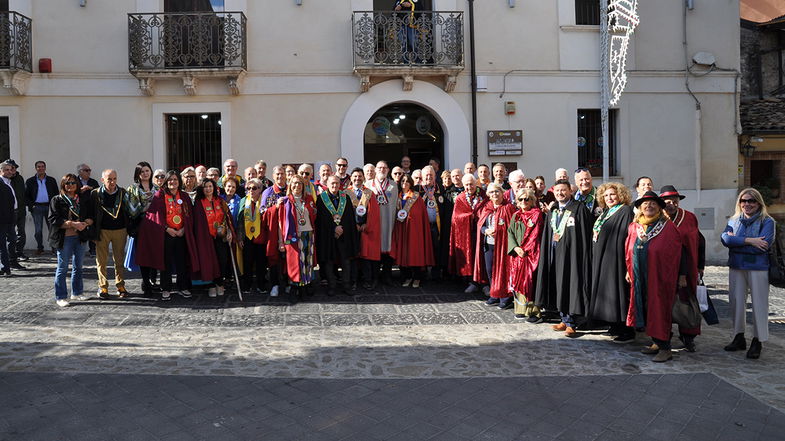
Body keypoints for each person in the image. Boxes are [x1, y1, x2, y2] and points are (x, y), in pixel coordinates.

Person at [625, 191, 684, 362]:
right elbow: (628, 249)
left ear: (659, 207)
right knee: (645, 307)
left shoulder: (667, 227)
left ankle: (665, 347)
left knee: (658, 309)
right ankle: (656, 342)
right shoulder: (634, 228)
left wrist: (679, 275)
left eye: (652, 203)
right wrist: (628, 270)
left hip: (659, 278)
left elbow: (676, 253)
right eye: (645, 203)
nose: (649, 206)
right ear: (640, 208)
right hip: (638, 276)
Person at [721, 188, 775, 359]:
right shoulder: (734, 220)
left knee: (759, 304)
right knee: (736, 302)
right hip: (736, 266)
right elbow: (726, 240)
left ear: (758, 203)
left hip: (758, 267)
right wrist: (751, 241)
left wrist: (737, 244)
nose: (747, 204)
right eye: (743, 201)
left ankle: (757, 340)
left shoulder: (767, 221)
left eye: (751, 201)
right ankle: (738, 337)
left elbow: (764, 246)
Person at [534, 179, 593, 335]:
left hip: (572, 256)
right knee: (559, 285)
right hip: (555, 254)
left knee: (570, 285)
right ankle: (563, 318)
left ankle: (572, 322)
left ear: (570, 191)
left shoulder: (578, 209)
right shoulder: (553, 210)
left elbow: (584, 234)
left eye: (563, 190)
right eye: (557, 190)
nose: (560, 193)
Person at [136, 171, 199, 301]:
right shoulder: (160, 195)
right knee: (166, 263)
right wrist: (166, 228)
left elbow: (189, 216)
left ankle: (183, 287)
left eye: (175, 179)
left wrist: (183, 229)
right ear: (166, 181)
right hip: (166, 234)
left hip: (181, 233)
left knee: (182, 262)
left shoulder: (184, 196)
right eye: (170, 180)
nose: (173, 182)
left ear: (179, 181)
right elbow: (155, 215)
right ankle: (166, 288)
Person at [588, 182, 635, 342]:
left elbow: (624, 235)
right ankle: (614, 325)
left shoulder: (625, 211)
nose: (609, 198)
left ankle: (626, 330)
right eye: (606, 195)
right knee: (609, 293)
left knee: (619, 292)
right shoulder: (607, 212)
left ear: (620, 195)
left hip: (616, 258)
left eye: (612, 194)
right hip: (604, 257)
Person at [660, 185, 702, 351]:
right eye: (667, 201)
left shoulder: (690, 217)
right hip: (665, 268)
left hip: (689, 267)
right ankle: (664, 335)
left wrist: (700, 265)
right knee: (665, 302)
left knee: (687, 300)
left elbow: (700, 241)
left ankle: (688, 335)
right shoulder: (658, 219)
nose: (671, 204)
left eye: (674, 201)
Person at [48, 174, 94, 306]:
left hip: (79, 237)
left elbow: (90, 216)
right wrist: (73, 224)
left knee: (78, 267)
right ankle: (61, 296)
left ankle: (77, 292)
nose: (71, 186)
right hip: (64, 238)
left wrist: (85, 223)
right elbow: (53, 219)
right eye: (67, 183)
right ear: (63, 185)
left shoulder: (82, 199)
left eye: (73, 183)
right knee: (62, 268)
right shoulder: (57, 200)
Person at [90, 169, 131, 299]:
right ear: (103, 180)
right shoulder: (95, 194)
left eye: (114, 179)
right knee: (101, 261)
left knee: (119, 260)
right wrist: (93, 233)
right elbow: (91, 213)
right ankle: (103, 287)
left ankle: (120, 285)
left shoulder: (123, 192)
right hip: (102, 231)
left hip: (120, 230)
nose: (112, 182)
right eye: (109, 179)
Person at [474, 183, 516, 309]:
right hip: (489, 244)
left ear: (502, 193)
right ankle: (494, 294)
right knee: (490, 270)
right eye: (491, 192)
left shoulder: (508, 208)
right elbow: (480, 225)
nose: (494, 194)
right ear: (488, 195)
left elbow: (511, 227)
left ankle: (505, 297)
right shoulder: (487, 207)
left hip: (503, 245)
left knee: (503, 270)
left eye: (497, 191)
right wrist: (486, 230)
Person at [316, 175, 359, 295]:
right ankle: (332, 285)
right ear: (327, 184)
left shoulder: (346, 198)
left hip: (344, 234)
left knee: (346, 261)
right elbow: (321, 219)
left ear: (340, 184)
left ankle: (346, 285)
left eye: (336, 183)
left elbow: (349, 217)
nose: (334, 186)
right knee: (329, 261)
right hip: (328, 235)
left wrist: (341, 228)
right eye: (332, 183)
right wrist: (333, 228)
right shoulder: (321, 199)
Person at [278, 174, 317, 303]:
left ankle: (305, 286)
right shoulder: (285, 201)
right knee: (295, 264)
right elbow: (280, 223)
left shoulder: (309, 199)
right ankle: (295, 288)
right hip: (293, 236)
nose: (297, 186)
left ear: (303, 185)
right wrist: (281, 241)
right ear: (290, 185)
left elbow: (314, 216)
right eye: (294, 183)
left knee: (307, 262)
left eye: (299, 183)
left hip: (308, 234)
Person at [507, 188, 544, 320]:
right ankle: (521, 309)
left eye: (526, 199)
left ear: (532, 200)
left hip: (531, 254)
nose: (523, 201)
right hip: (518, 253)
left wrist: (525, 250)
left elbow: (534, 234)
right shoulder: (515, 215)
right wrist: (515, 248)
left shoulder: (536, 214)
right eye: (521, 199)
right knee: (518, 280)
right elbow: (510, 232)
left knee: (530, 281)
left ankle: (534, 312)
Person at [391, 174, 434, 288]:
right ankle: (407, 276)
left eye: (407, 181)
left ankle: (417, 277)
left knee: (415, 252)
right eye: (402, 181)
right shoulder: (398, 196)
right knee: (403, 252)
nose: (404, 183)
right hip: (401, 228)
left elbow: (420, 214)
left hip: (414, 229)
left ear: (411, 183)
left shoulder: (416, 197)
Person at [193, 178, 232, 298]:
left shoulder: (220, 201)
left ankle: (220, 282)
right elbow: (197, 222)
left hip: (220, 236)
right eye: (206, 187)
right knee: (209, 261)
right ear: (202, 189)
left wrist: (229, 231)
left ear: (214, 188)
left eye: (210, 186)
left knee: (222, 260)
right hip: (206, 237)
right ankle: (211, 285)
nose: (208, 189)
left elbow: (228, 217)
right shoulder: (199, 203)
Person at [449, 174, 487, 292]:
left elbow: (488, 209)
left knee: (482, 256)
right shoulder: (460, 197)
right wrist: (470, 216)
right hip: (467, 233)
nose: (469, 187)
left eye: (471, 184)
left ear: (476, 183)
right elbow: (456, 217)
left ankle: (485, 283)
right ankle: (473, 282)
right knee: (471, 256)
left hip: (482, 231)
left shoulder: (483, 195)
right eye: (466, 185)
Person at [126, 161, 159, 297]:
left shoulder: (157, 188)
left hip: (156, 225)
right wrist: (147, 208)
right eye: (142, 172)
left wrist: (150, 208)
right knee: (144, 255)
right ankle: (145, 283)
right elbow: (132, 210)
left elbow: (161, 207)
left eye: (147, 170)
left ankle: (152, 280)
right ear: (138, 174)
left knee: (155, 253)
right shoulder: (133, 189)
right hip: (141, 226)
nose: (145, 173)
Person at [346, 167, 380, 290]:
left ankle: (367, 280)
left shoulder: (369, 193)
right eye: (355, 176)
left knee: (366, 256)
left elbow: (374, 212)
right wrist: (352, 225)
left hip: (366, 229)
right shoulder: (345, 193)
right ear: (351, 178)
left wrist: (367, 225)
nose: (357, 178)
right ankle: (353, 280)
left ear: (363, 178)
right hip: (351, 229)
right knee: (353, 256)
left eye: (360, 176)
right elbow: (343, 212)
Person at [419, 165, 452, 280]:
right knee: (422, 248)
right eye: (426, 175)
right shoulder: (416, 190)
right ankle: (421, 273)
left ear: (435, 176)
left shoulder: (441, 189)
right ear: (422, 177)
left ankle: (436, 272)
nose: (429, 177)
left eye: (431, 175)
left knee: (437, 248)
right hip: (422, 226)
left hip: (436, 226)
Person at [369, 161, 398, 285]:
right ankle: (375, 277)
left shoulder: (393, 185)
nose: (382, 169)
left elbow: (396, 204)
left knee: (388, 249)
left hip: (389, 221)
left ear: (388, 169)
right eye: (379, 167)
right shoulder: (369, 184)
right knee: (375, 250)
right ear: (375, 169)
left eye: (384, 167)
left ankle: (387, 276)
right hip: (374, 223)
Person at [261, 167, 289, 296]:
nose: (280, 176)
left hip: (289, 231)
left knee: (289, 258)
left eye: (282, 174)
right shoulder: (268, 192)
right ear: (273, 176)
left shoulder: (291, 189)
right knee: (274, 259)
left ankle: (289, 283)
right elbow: (262, 212)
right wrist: (275, 207)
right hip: (273, 231)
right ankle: (275, 285)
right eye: (277, 174)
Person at [237, 178, 267, 295]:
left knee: (261, 262)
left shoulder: (264, 200)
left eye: (254, 188)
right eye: (248, 188)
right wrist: (239, 237)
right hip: (247, 237)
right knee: (247, 262)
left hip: (261, 236)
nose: (251, 190)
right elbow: (239, 220)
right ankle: (247, 285)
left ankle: (261, 285)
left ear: (260, 189)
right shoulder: (244, 201)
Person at [25, 161, 58, 255]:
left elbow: (56, 194)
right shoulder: (30, 181)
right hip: (37, 208)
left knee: (52, 228)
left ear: (45, 168)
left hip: (49, 207)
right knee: (38, 230)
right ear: (36, 168)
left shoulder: (51, 180)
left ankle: (54, 248)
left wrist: (54, 206)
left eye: (43, 166)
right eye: (39, 167)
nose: (41, 168)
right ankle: (40, 247)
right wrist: (32, 206)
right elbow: (26, 196)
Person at [1, 160, 23, 271]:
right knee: (3, 242)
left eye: (11, 169)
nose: (10, 172)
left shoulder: (11, 182)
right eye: (7, 170)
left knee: (12, 239)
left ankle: (11, 262)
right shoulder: (1, 183)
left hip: (14, 214)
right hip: (4, 217)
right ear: (1, 171)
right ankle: (4, 266)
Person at [3, 160, 27, 262]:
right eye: (9, 169)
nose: (12, 170)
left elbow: (23, 193)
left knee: (21, 233)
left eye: (13, 168)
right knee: (10, 236)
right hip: (9, 212)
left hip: (20, 210)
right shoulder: (4, 180)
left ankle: (19, 252)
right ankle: (9, 257)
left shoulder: (19, 178)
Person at [77, 164, 100, 257]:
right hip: (79, 208)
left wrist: (91, 188)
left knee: (92, 228)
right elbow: (70, 193)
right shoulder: (75, 181)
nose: (89, 172)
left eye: (89, 170)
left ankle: (92, 249)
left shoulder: (93, 181)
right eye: (86, 170)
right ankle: (79, 249)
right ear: (80, 172)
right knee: (80, 227)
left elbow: (99, 192)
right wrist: (80, 191)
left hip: (91, 208)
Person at [0, 166, 15, 276]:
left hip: (3, 220)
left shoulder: (6, 187)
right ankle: (5, 267)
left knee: (2, 245)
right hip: (6, 219)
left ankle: (5, 267)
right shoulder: (6, 187)